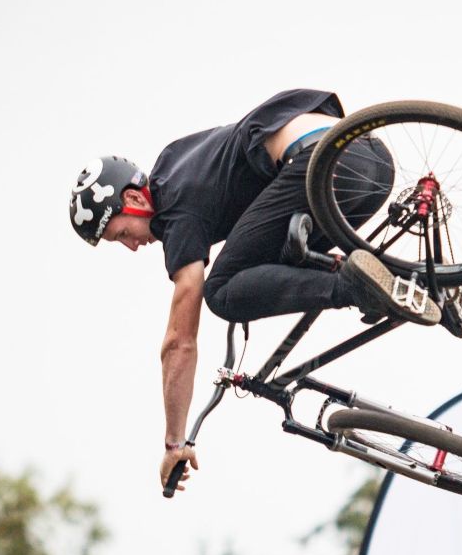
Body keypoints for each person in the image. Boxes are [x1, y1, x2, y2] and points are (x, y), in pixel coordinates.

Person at [69, 89, 441, 492]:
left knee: (222, 292)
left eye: (122, 232)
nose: (131, 245)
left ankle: (352, 287)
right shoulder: (175, 160)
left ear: (133, 198)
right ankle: (428, 284)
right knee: (281, 261)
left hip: (319, 168)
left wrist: (174, 442)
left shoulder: (178, 213)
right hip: (371, 160)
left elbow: (179, 343)